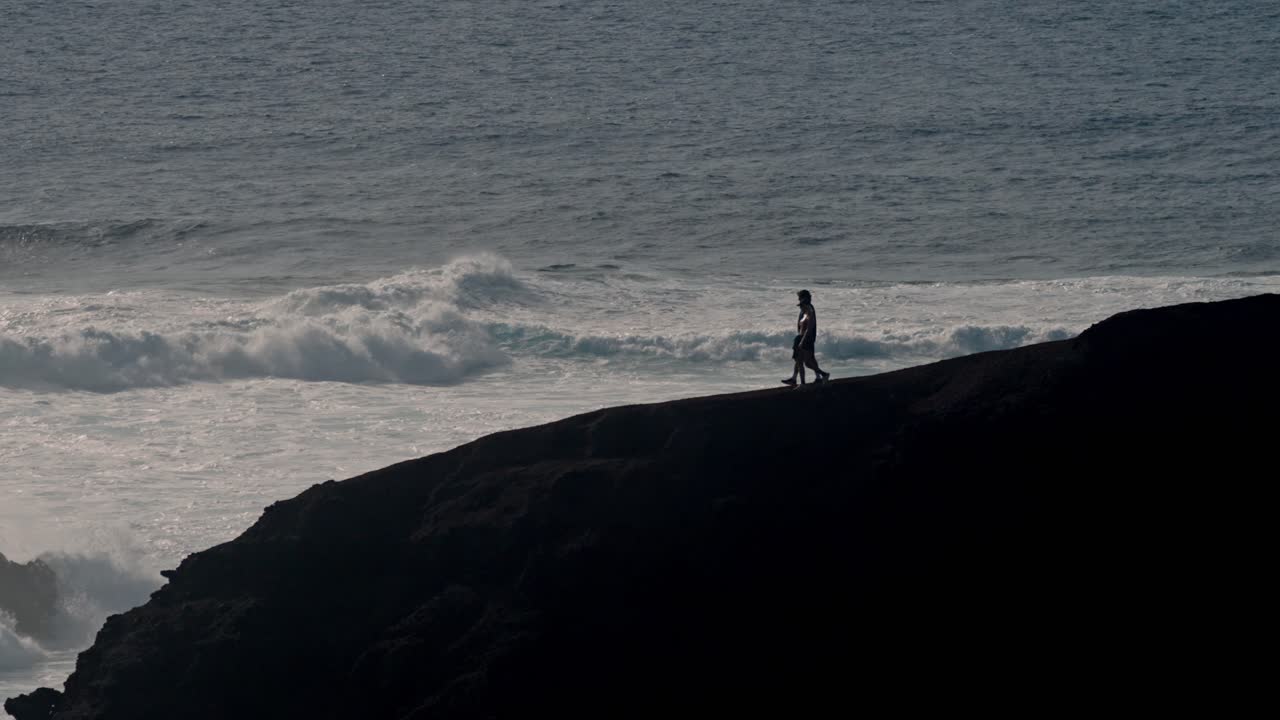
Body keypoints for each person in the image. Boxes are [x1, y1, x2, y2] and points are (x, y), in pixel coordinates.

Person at [782, 289, 830, 386]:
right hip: (804, 337)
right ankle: (797, 378)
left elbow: (809, 326)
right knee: (801, 359)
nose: (798, 300)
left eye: (799, 298)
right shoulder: (805, 308)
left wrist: (802, 340)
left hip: (807, 338)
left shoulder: (808, 308)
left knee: (806, 361)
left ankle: (821, 375)